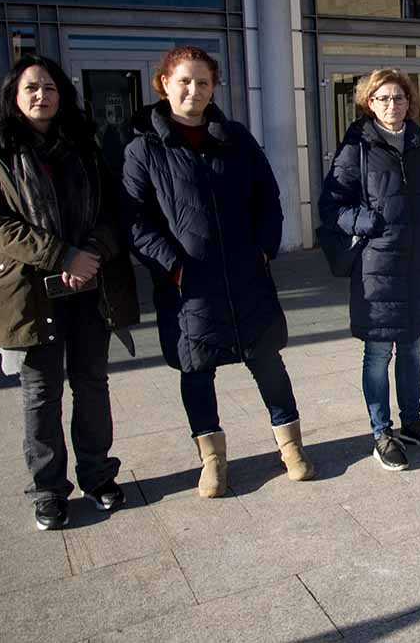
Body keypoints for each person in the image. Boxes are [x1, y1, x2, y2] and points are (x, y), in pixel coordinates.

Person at [0, 55, 139, 530]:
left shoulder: (84, 144)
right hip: (28, 290)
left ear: (63, 94)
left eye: (49, 87)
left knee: (92, 384)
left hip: (90, 286)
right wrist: (61, 256)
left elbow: (111, 209)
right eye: (31, 88)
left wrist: (90, 253)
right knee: (41, 391)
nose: (41, 95)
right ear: (14, 95)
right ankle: (49, 490)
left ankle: (98, 476)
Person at [121, 45, 314, 497]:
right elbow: (134, 220)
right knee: (196, 370)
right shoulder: (142, 149)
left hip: (247, 276)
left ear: (214, 87)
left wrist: (264, 250)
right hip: (189, 285)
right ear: (164, 83)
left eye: (203, 82)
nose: (194, 90)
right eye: (184, 81)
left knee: (268, 362)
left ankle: (290, 448)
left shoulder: (236, 137)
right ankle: (212, 460)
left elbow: (268, 198)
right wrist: (174, 268)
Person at [319, 68, 420, 471]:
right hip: (376, 267)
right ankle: (382, 430)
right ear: (368, 103)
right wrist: (366, 222)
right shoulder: (357, 147)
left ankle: (412, 421)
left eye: (399, 98)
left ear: (410, 103)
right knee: (378, 352)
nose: (392, 105)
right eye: (383, 99)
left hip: (417, 265)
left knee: (413, 347)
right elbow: (332, 205)